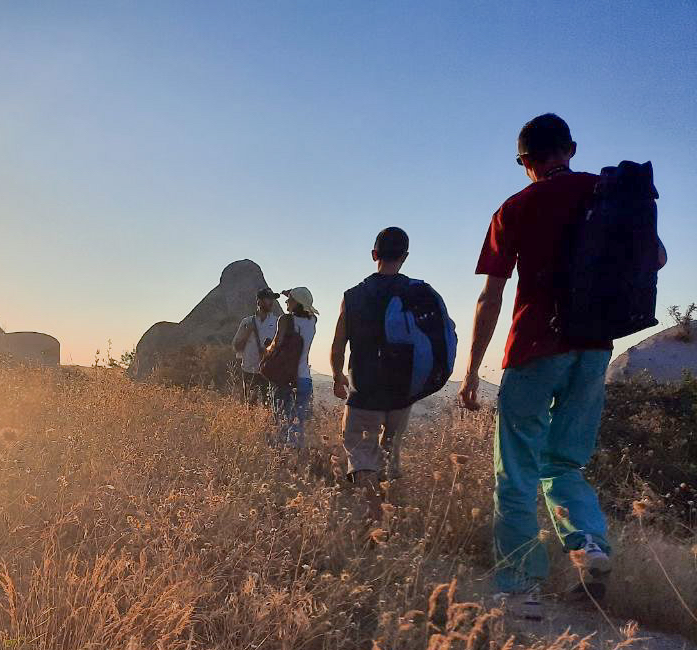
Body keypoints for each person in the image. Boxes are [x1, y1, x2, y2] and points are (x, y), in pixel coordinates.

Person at [459, 113, 667, 618]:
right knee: (565, 463)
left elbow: (491, 297)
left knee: (516, 470)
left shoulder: (515, 207)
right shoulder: (609, 192)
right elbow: (657, 257)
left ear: (525, 162)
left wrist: (470, 371)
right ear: (570, 149)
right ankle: (590, 546)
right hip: (594, 348)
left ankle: (518, 587)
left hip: (534, 348)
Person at [331, 228, 436, 500]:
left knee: (363, 453)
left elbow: (338, 343)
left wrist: (337, 375)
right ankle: (390, 512)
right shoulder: (418, 293)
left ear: (374, 254)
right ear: (405, 257)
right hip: (403, 390)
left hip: (365, 388)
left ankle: (373, 517)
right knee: (390, 451)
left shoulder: (352, 296)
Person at [269, 287, 317, 447]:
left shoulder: (285, 320)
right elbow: (308, 310)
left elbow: (277, 344)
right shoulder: (312, 321)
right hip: (304, 379)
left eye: (289, 299)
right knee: (297, 425)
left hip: (285, 378)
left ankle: (281, 461)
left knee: (281, 422)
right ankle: (296, 461)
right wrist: (295, 294)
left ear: (296, 302)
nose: (286, 301)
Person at [232, 287, 282, 406]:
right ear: (259, 302)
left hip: (269, 371)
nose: (271, 302)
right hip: (249, 370)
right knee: (249, 406)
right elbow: (236, 347)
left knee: (269, 407)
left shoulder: (277, 322)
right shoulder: (247, 322)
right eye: (268, 299)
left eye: (272, 299)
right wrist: (247, 333)